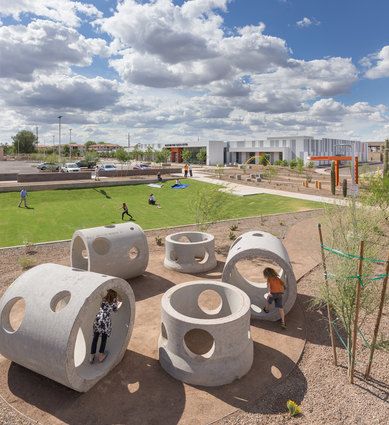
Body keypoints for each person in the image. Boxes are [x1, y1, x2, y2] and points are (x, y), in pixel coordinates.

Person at [90, 289, 119, 363]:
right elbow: (115, 310)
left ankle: (91, 357)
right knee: (103, 339)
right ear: (114, 296)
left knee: (95, 338)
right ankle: (100, 356)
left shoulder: (103, 300)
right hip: (105, 321)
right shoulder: (113, 303)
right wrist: (117, 303)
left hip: (98, 319)